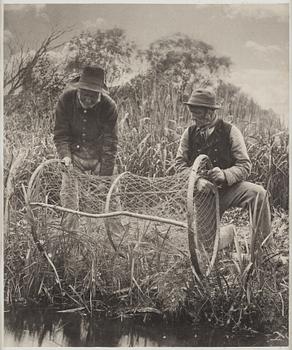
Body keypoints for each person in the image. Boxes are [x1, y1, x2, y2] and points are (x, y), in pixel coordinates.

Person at [175, 89, 272, 257]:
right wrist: (196, 181)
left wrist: (225, 175)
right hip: (204, 196)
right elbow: (178, 165)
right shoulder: (188, 134)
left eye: (197, 113)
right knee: (206, 249)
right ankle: (228, 233)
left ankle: (264, 252)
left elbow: (245, 165)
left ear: (210, 112)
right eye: (192, 113)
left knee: (258, 194)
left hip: (230, 189)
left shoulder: (231, 131)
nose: (193, 117)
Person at [54, 65, 118, 231]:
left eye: (93, 95)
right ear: (78, 89)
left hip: (99, 158)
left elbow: (110, 144)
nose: (88, 99)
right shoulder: (65, 100)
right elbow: (61, 135)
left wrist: (104, 178)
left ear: (100, 93)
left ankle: (119, 243)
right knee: (68, 197)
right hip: (74, 157)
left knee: (112, 197)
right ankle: (69, 237)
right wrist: (65, 157)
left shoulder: (109, 106)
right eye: (85, 94)